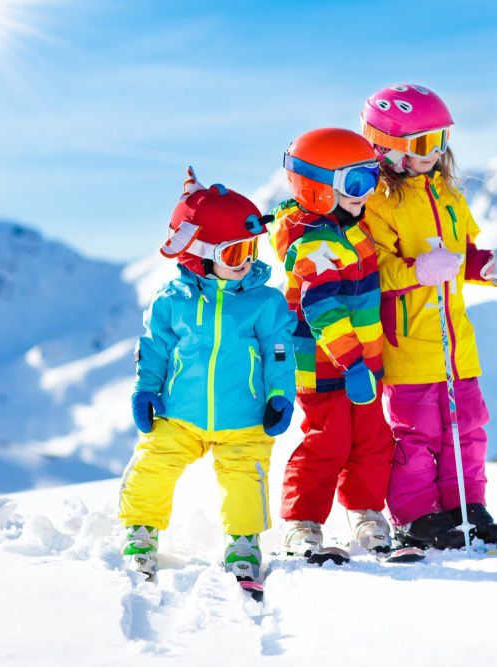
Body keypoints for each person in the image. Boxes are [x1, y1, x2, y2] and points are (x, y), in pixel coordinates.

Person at [360, 84, 497, 549]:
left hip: (457, 344)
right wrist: (417, 270)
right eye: (420, 145)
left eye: (440, 140)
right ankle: (416, 515)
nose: (433, 154)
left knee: (467, 431)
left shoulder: (450, 197)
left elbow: (463, 256)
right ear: (384, 147)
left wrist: (490, 266)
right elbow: (371, 271)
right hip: (408, 342)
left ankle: (465, 507)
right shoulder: (376, 203)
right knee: (417, 437)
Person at [118, 167, 296, 596]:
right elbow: (154, 347)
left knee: (245, 478)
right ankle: (140, 532)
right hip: (181, 411)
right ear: (199, 255)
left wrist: (278, 396)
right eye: (235, 255)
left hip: (244, 414)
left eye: (250, 250)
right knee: (152, 466)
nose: (247, 262)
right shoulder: (171, 301)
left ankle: (243, 544)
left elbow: (278, 351)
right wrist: (146, 389)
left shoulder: (265, 301)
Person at [270, 128, 395, 555]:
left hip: (364, 362)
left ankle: (365, 510)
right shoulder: (315, 244)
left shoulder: (352, 229)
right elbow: (323, 311)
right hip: (326, 366)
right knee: (329, 440)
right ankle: (302, 520)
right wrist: (353, 364)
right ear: (318, 189)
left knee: (374, 439)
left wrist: (370, 359)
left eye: (371, 178)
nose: (367, 192)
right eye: (355, 183)